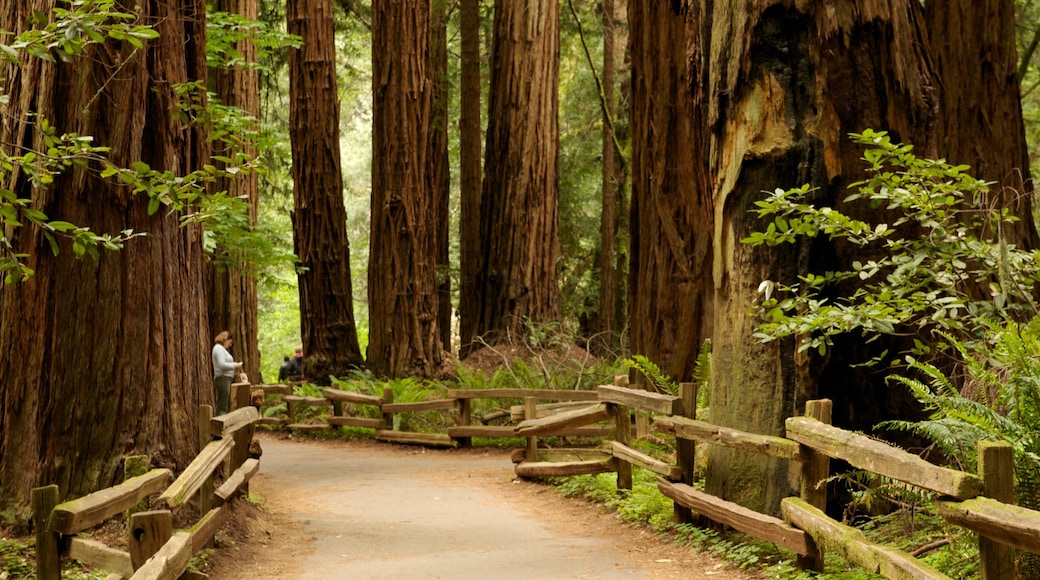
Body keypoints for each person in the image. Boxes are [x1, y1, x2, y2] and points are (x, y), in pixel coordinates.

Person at [211, 330, 243, 416]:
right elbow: (222, 365)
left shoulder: (222, 349)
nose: (230, 344)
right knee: (222, 404)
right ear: (225, 339)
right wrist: (234, 365)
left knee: (226, 403)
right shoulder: (218, 348)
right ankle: (220, 422)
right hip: (222, 379)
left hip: (226, 379)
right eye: (230, 342)